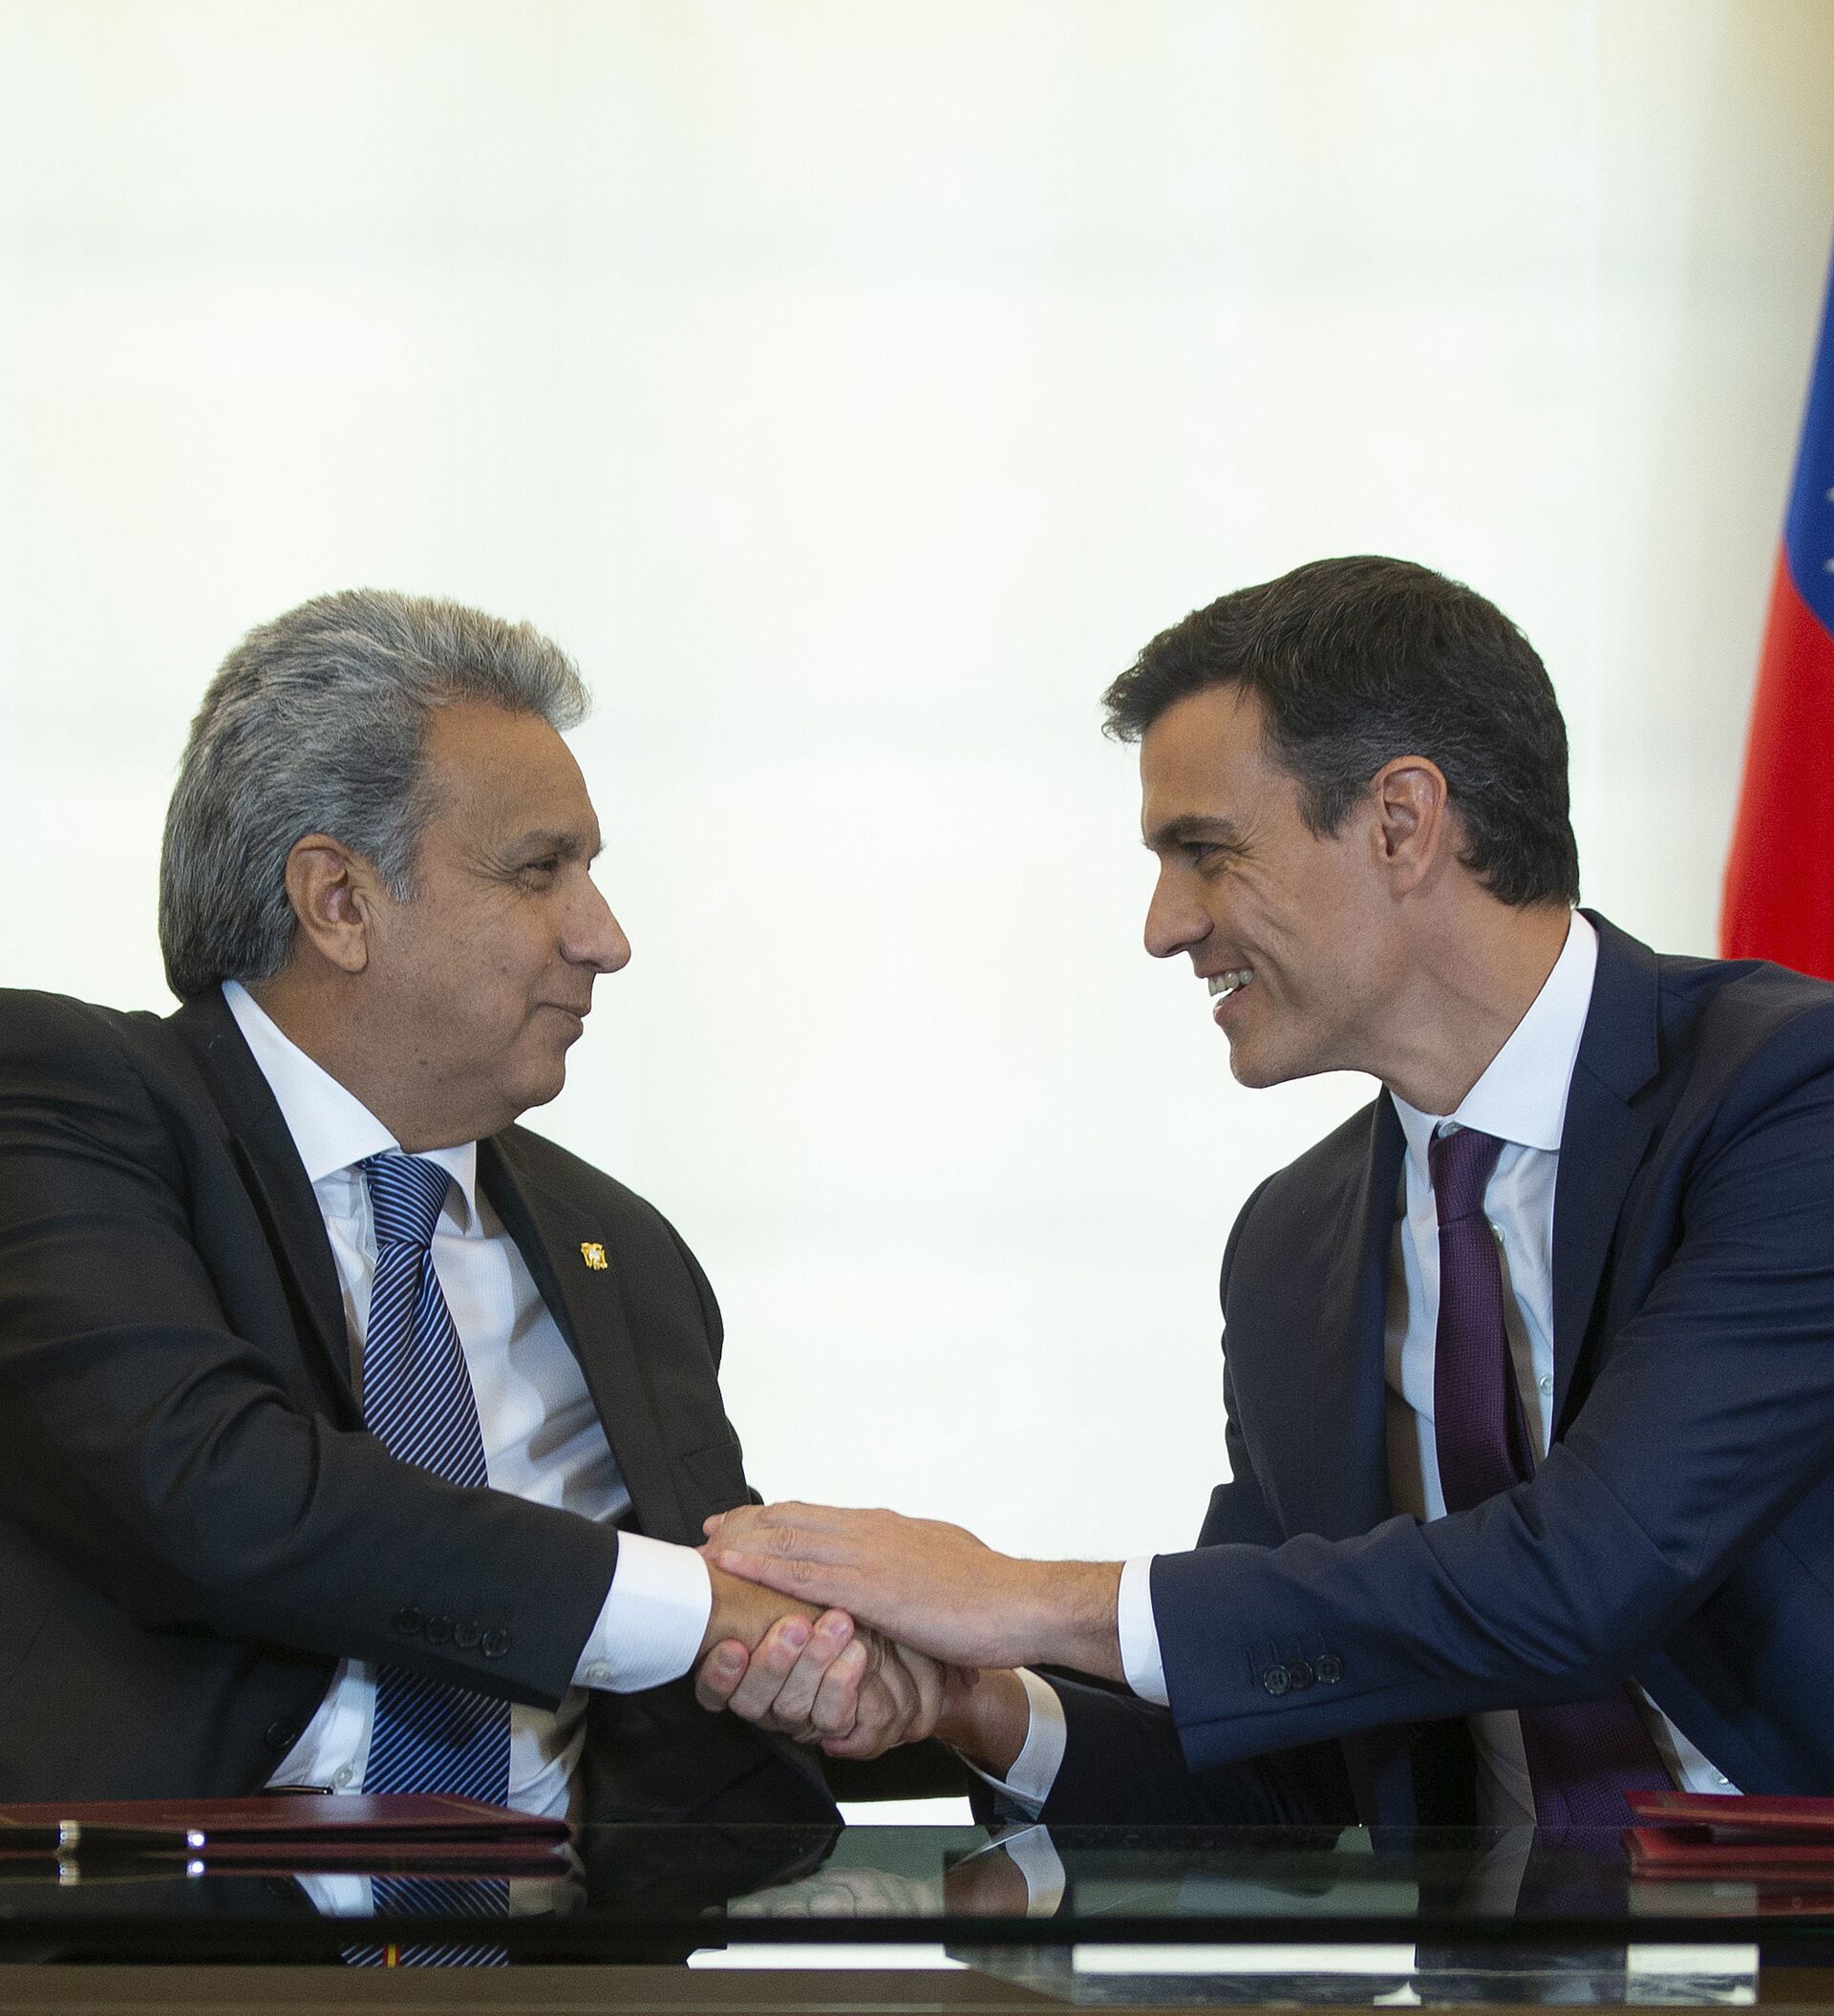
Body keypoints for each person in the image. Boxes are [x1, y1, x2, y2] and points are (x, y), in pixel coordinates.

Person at [701, 555, 1834, 1829]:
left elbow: (1583, 1576)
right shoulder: (1297, 1243)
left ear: (1402, 822)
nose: (1164, 924)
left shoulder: (1791, 1097)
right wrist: (974, 1700)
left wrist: (1019, 1593)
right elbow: (1292, 1752)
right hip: (1509, 1939)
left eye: (1205, 851)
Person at [0, 588, 943, 1816]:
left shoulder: (623, 1247)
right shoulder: (67, 1102)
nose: (604, 937)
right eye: (541, 871)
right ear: (340, 901)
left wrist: (885, 1678)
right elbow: (215, 1492)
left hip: (568, 1921)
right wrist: (704, 1605)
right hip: (153, 1918)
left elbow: (713, 1668)